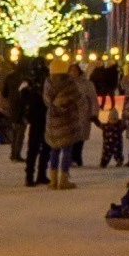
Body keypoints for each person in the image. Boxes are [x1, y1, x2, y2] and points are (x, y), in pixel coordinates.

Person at [42, 58, 82, 188]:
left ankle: (53, 180)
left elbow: (47, 100)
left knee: (54, 149)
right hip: (67, 119)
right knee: (67, 149)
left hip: (53, 119)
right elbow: (78, 98)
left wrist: (55, 104)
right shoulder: (69, 83)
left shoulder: (48, 82)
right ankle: (63, 179)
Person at [15, 64, 49, 187]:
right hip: (43, 117)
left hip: (35, 118)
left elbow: (21, 101)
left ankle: (31, 175)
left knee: (34, 149)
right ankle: (39, 174)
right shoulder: (46, 83)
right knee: (44, 148)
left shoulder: (27, 85)